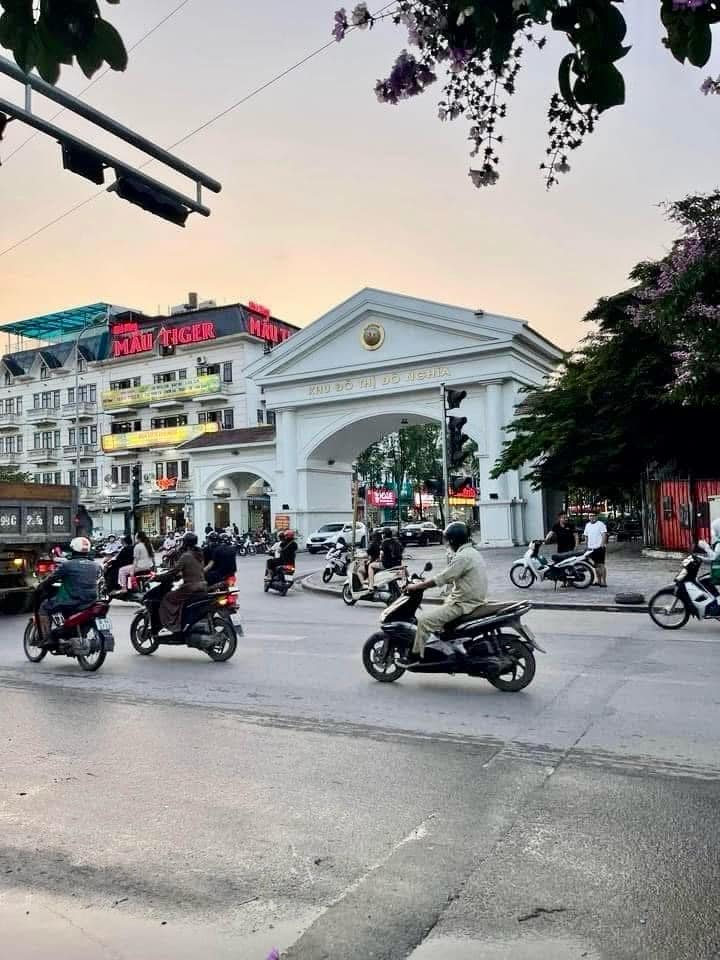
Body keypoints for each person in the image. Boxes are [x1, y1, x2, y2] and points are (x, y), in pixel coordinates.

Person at [407, 522, 489, 658]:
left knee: (424, 621)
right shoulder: (472, 552)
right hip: (472, 599)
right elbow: (450, 575)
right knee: (441, 615)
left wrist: (415, 586)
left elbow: (442, 578)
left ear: (453, 540)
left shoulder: (463, 557)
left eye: (448, 540)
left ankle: (416, 658)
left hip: (463, 604)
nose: (447, 544)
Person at [37, 536, 98, 641]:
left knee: (44, 607)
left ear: (73, 549)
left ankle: (46, 639)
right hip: (91, 601)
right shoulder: (95, 565)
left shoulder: (68, 565)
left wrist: (41, 586)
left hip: (72, 600)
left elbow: (51, 579)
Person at [159, 532, 208, 633]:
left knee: (167, 598)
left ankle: (172, 625)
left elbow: (174, 571)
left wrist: (158, 577)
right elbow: (194, 569)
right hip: (202, 585)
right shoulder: (199, 554)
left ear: (185, 543)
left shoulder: (186, 556)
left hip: (191, 586)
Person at [583, 511, 609, 587]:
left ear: (597, 516)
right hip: (591, 548)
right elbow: (586, 536)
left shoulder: (601, 524)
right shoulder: (587, 525)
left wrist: (602, 544)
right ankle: (599, 581)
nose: (592, 517)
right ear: (589, 517)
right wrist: (586, 545)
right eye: (590, 516)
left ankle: (604, 582)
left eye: (594, 515)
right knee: (595, 565)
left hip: (599, 547)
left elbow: (604, 534)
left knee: (601, 565)